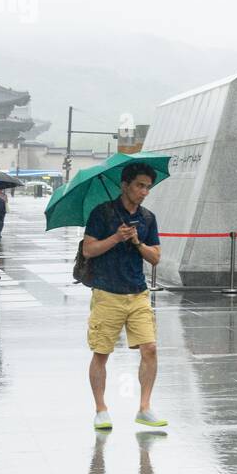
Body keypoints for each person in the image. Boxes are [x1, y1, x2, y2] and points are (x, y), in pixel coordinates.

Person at [82, 162, 164, 431]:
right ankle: (101, 409)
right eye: (139, 186)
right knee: (101, 352)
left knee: (150, 348)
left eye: (147, 187)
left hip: (137, 292)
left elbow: (155, 258)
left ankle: (144, 407)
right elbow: (89, 251)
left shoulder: (148, 218)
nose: (144, 192)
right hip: (107, 293)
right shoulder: (102, 213)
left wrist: (138, 242)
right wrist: (116, 237)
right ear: (125, 185)